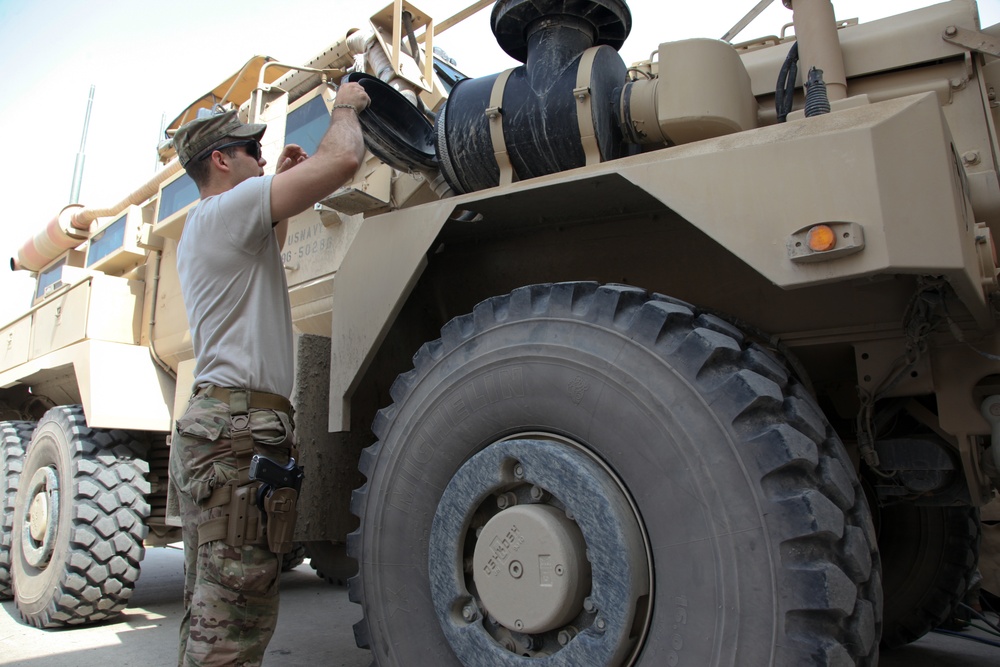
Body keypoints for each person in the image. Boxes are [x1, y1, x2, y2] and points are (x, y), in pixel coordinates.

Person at [168, 79, 370, 667]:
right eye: (252, 152)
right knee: (234, 618)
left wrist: (274, 181)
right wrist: (345, 107)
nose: (261, 159)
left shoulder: (208, 226)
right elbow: (343, 159)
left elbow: (269, 241)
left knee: (212, 604)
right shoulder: (225, 212)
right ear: (220, 159)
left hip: (224, 426)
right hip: (238, 430)